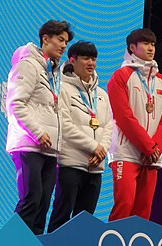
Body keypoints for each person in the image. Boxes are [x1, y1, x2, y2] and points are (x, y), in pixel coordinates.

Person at [5, 20, 74, 235]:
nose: (64, 45)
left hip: (49, 149)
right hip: (28, 145)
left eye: (66, 42)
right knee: (30, 201)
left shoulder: (54, 72)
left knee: (43, 205)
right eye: (60, 40)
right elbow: (15, 103)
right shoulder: (28, 64)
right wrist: (37, 132)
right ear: (45, 39)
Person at [107, 28, 162, 222]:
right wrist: (148, 146)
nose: (150, 48)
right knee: (125, 205)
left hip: (152, 155)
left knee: (143, 212)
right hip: (126, 152)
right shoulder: (120, 77)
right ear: (132, 47)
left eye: (152, 44)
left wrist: (156, 148)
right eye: (145, 44)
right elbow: (123, 116)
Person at [47, 41, 113, 233]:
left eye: (93, 59)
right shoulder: (63, 89)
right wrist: (94, 147)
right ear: (72, 61)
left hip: (95, 167)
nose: (90, 63)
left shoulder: (102, 94)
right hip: (71, 163)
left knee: (85, 222)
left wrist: (101, 150)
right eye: (85, 58)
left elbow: (108, 125)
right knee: (61, 216)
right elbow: (65, 125)